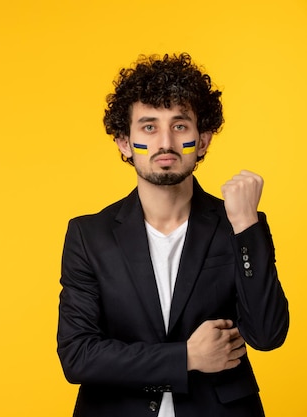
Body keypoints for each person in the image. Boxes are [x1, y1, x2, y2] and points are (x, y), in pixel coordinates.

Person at [56, 53, 289, 417]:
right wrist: (186, 357)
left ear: (203, 139)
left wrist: (246, 228)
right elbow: (78, 356)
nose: (165, 142)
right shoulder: (89, 234)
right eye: (149, 127)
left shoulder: (240, 224)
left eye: (180, 126)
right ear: (124, 143)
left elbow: (267, 335)